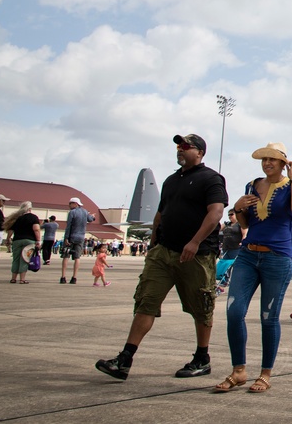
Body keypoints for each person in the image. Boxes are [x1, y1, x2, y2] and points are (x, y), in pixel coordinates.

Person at [95, 133, 227, 381]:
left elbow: (216, 212)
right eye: (178, 146)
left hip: (196, 256)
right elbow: (159, 215)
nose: (180, 150)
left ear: (199, 152)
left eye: (186, 146)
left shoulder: (211, 179)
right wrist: (153, 245)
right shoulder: (170, 181)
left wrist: (195, 242)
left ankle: (202, 358)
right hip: (163, 253)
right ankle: (125, 359)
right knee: (146, 301)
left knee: (201, 306)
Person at [216, 142, 292, 394]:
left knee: (268, 317)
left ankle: (265, 373)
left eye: (272, 159)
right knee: (234, 312)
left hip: (277, 258)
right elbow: (245, 220)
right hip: (248, 254)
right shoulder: (252, 185)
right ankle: (238, 370)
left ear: (283, 163)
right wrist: (237, 207)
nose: (267, 163)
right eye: (264, 159)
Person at [60, 197, 96, 284]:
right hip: (81, 237)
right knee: (77, 257)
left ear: (75, 204)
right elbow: (90, 219)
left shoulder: (72, 212)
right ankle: (74, 277)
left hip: (71, 236)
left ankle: (63, 277)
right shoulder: (85, 211)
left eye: (70, 203)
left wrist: (66, 238)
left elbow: (69, 226)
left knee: (66, 256)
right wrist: (93, 217)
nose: (69, 205)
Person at [3, 201, 41, 284]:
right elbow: (36, 229)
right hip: (29, 241)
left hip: (17, 240)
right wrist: (38, 241)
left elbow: (11, 230)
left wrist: (8, 239)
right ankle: (22, 279)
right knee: (24, 259)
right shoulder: (33, 217)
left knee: (15, 259)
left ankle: (13, 278)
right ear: (30, 209)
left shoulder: (16, 218)